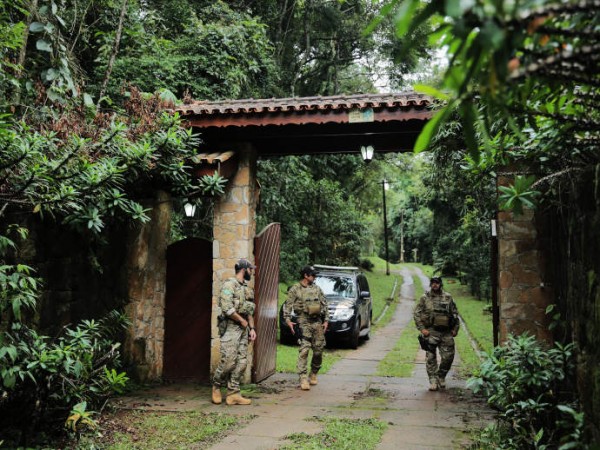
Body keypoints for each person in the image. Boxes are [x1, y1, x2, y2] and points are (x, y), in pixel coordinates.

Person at [212, 258, 257, 405]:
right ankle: (216, 386)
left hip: (244, 329)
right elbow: (227, 308)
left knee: (242, 362)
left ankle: (233, 393)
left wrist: (252, 328)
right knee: (229, 362)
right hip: (231, 327)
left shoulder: (246, 288)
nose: (252, 272)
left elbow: (249, 310)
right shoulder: (229, 285)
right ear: (244, 270)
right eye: (251, 269)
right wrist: (241, 321)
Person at [283, 265, 329, 391]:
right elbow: (288, 305)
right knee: (304, 349)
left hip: (317, 322)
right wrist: (288, 320)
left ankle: (313, 372)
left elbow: (325, 304)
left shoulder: (317, 289)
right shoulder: (295, 289)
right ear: (306, 275)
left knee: (319, 349)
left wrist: (326, 320)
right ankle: (303, 377)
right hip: (303, 321)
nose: (315, 277)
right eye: (313, 275)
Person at [413, 276, 460, 391]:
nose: (435, 285)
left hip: (446, 332)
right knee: (430, 357)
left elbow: (454, 314)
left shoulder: (448, 297)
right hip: (431, 331)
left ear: (440, 284)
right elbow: (417, 314)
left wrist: (455, 329)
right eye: (433, 283)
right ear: (430, 284)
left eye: (437, 283)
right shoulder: (424, 298)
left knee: (448, 356)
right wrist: (422, 329)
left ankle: (441, 376)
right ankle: (433, 381)